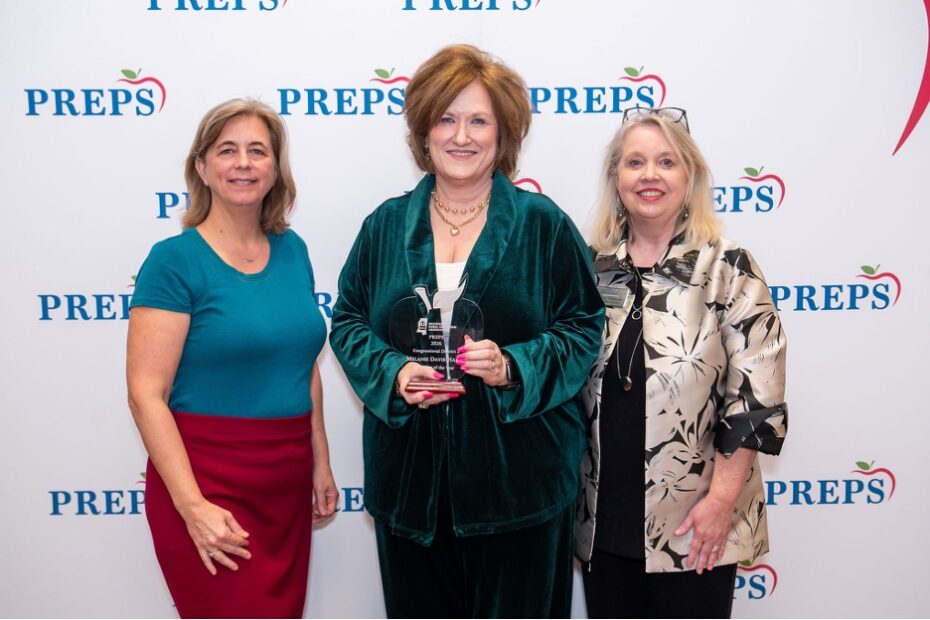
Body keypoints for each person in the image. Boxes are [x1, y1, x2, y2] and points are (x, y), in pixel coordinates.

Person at [329, 44, 604, 618]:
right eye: (446, 119)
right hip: (411, 488)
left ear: (503, 135)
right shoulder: (384, 226)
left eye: (478, 120)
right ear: (423, 132)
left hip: (519, 487)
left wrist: (515, 367)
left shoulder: (542, 224)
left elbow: (584, 328)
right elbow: (349, 321)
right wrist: (394, 372)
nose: (462, 136)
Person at [126, 98, 338, 618]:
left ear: (274, 168)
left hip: (285, 482)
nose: (243, 163)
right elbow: (145, 394)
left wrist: (321, 462)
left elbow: (301, 363)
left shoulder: (294, 251)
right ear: (202, 167)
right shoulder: (173, 262)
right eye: (227, 150)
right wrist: (192, 506)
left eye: (257, 151)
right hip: (207, 483)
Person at [575, 107, 788, 619]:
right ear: (615, 177)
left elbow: (758, 400)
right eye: (635, 162)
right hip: (602, 520)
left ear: (689, 176)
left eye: (666, 162)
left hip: (696, 523)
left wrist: (720, 503)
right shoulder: (589, 266)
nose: (650, 175)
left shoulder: (727, 266)